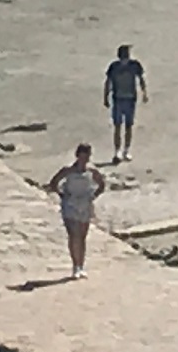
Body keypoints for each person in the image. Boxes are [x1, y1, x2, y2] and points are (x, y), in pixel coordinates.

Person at [45, 143, 106, 279]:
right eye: (83, 156)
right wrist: (62, 195)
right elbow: (54, 183)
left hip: (85, 204)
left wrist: (93, 196)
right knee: (74, 235)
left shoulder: (92, 171)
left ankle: (81, 265)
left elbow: (102, 185)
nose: (84, 160)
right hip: (70, 204)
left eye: (87, 156)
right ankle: (75, 266)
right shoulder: (68, 171)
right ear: (77, 156)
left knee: (82, 236)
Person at [103, 44, 147, 162]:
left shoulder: (134, 65)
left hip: (130, 98)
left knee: (128, 126)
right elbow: (108, 82)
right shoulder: (114, 67)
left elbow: (141, 79)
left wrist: (144, 93)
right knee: (118, 126)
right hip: (118, 98)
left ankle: (126, 150)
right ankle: (117, 151)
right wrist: (106, 96)